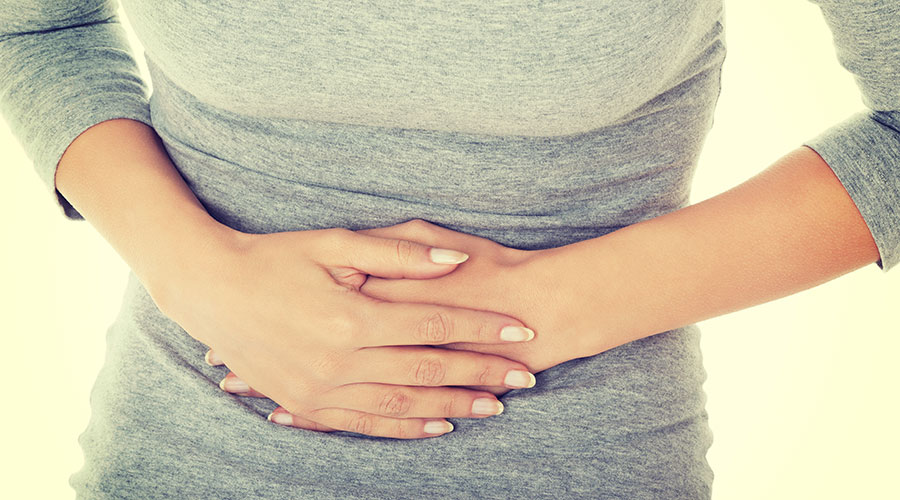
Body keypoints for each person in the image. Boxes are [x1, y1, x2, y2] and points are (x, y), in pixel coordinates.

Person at [1, 0, 897, 498]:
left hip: (581, 470)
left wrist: (525, 317)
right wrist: (194, 271)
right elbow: (38, 23)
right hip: (179, 460)